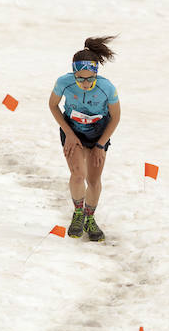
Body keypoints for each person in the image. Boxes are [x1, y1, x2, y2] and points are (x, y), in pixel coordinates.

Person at [48, 36, 121, 242]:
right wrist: (69, 133)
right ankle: (78, 213)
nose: (86, 83)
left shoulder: (107, 88)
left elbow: (116, 117)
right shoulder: (64, 82)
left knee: (94, 180)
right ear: (74, 74)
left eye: (90, 79)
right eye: (80, 79)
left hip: (99, 132)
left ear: (97, 74)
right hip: (74, 131)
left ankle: (90, 218)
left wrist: (100, 145)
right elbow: (52, 105)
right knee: (78, 175)